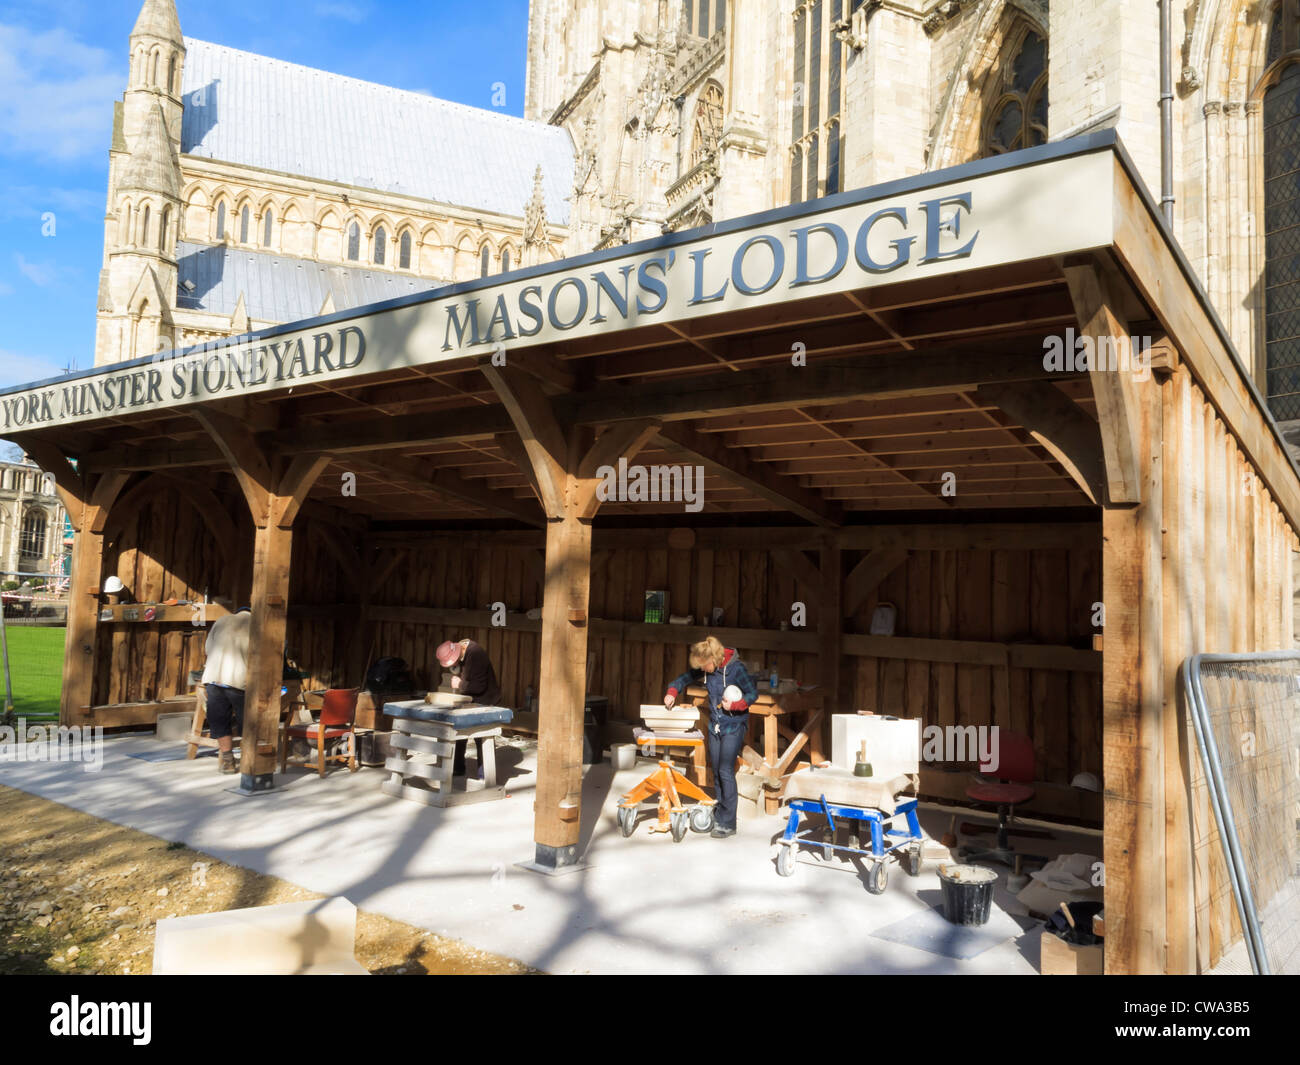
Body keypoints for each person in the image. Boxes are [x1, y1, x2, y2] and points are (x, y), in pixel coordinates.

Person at [664, 636, 758, 838]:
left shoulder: (736, 669)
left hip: (734, 725)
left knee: (725, 770)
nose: (702, 669)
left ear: (713, 660)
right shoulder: (707, 666)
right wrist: (672, 691)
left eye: (703, 665)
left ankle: (728, 823)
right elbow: (684, 678)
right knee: (715, 770)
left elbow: (752, 694)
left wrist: (735, 705)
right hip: (715, 725)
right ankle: (720, 812)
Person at [436, 638, 501, 778]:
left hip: (485, 698)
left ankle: (485, 774)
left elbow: (478, 686)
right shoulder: (462, 650)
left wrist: (459, 684)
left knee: (482, 736)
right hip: (470, 697)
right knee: (459, 731)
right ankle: (457, 767)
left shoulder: (476, 655)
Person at [201, 602, 252, 774]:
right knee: (248, 722)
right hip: (238, 680)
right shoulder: (256, 625)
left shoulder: (222, 620)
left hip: (214, 679)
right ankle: (248, 760)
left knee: (220, 721)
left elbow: (208, 649)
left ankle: (228, 761)